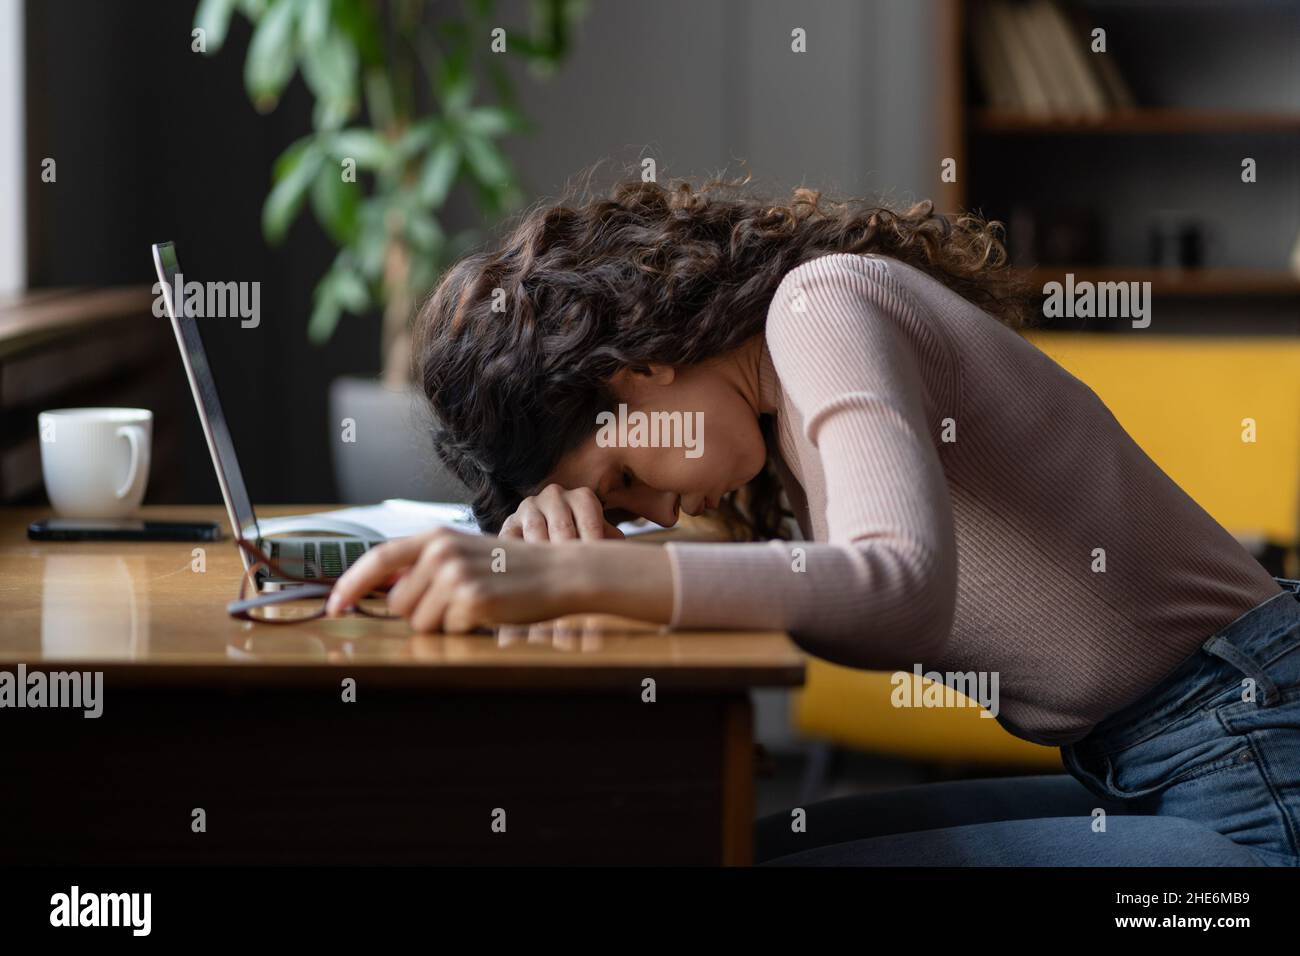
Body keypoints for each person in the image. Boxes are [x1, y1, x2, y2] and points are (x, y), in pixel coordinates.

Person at [330, 177, 1300, 865]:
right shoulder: (783, 428)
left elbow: (899, 586)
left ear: (638, 369)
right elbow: (803, 579)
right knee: (736, 851)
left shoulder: (822, 303)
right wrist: (571, 542)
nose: (654, 507)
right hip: (1163, 766)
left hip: (1257, 787)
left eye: (622, 472)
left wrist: (568, 577)